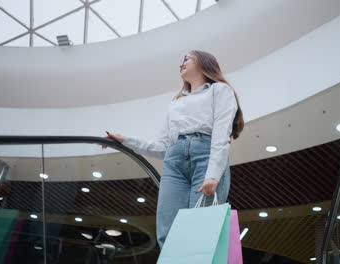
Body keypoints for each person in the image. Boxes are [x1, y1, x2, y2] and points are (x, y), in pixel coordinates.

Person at [104, 50, 244, 248]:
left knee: (200, 231)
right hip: (174, 163)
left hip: (205, 157)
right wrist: (126, 140)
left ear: (204, 63)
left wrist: (213, 174)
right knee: (167, 231)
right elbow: (162, 146)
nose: (181, 64)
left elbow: (221, 135)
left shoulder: (220, 90)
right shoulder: (176, 102)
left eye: (187, 59)